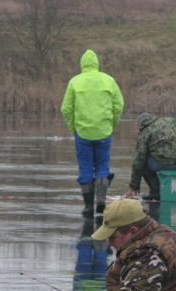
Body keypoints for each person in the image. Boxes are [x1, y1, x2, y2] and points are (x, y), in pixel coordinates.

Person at [61, 49, 124, 217]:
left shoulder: (75, 82)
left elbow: (66, 108)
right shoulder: (108, 80)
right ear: (97, 63)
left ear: (82, 64)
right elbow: (119, 105)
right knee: (103, 166)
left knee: (86, 168)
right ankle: (101, 201)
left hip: (82, 132)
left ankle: (88, 206)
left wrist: (73, 127)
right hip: (104, 131)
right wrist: (112, 124)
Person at [127, 113, 176, 200]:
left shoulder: (145, 132)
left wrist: (134, 186)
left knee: (143, 163)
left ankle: (156, 192)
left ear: (141, 123)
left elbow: (138, 161)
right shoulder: (172, 121)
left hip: (164, 164)